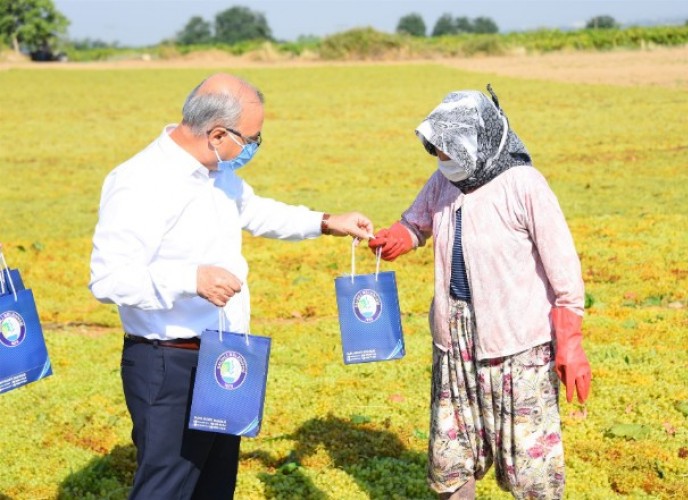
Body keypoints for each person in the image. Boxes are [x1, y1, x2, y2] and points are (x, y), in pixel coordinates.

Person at [89, 73, 373, 499]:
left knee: (215, 486)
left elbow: (254, 210)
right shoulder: (140, 182)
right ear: (218, 134)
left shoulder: (215, 172)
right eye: (253, 139)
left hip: (224, 359)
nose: (255, 148)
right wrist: (190, 279)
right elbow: (108, 277)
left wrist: (326, 222)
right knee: (166, 487)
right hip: (170, 365)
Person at [368, 86, 591, 499]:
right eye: (436, 151)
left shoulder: (524, 185)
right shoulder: (444, 182)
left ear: (479, 141)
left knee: (532, 471)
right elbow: (417, 222)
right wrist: (401, 235)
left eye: (449, 150)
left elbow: (564, 271)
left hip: (517, 345)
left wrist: (570, 343)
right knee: (451, 460)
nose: (441, 160)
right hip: (455, 341)